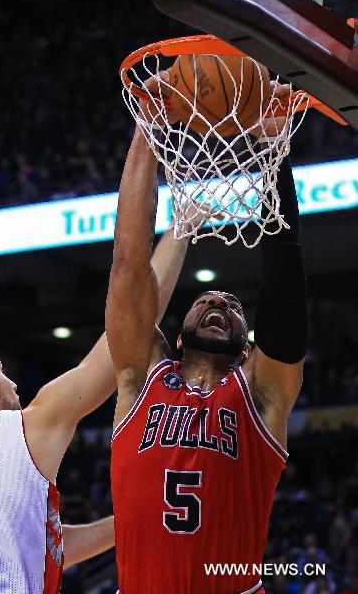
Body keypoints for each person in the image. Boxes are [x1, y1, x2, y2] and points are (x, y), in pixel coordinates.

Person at [0, 222, 191, 594]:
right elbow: (127, 339)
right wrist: (182, 230)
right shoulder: (26, 428)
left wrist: (130, 522)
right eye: (2, 371)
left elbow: (39, 548)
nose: (13, 383)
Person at [106, 75, 308, 593]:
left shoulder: (260, 394)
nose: (218, 300)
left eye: (231, 305)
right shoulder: (140, 377)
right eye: (205, 300)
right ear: (174, 338)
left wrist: (273, 155)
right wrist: (147, 132)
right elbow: (129, 263)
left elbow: (284, 289)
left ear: (247, 346)